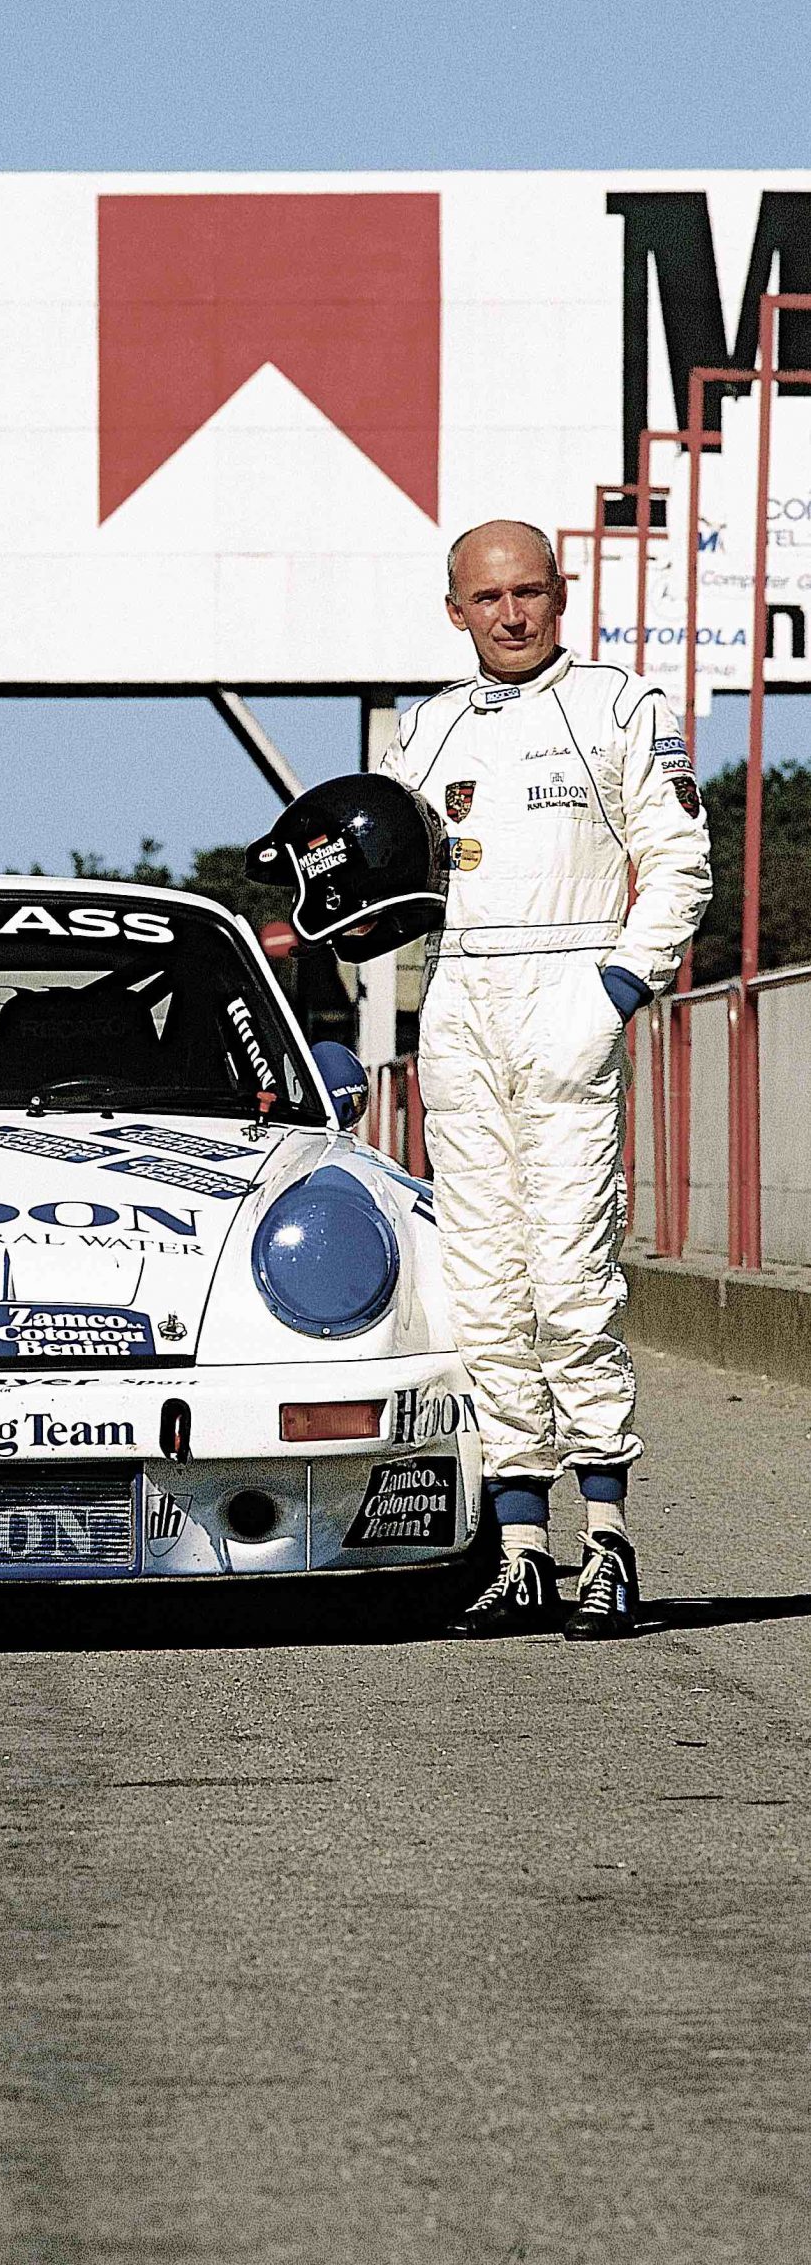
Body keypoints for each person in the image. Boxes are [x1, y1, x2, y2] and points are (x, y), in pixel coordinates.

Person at [382, 520, 710, 1638]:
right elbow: (376, 885)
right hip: (462, 1002)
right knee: (483, 1286)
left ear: (558, 596)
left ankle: (605, 1539)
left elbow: (676, 863)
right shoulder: (420, 732)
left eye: (529, 592)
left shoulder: (616, 705)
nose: (511, 615)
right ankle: (521, 1548)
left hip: (570, 987)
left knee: (570, 1278)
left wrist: (615, 989)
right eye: (488, 598)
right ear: (454, 610)